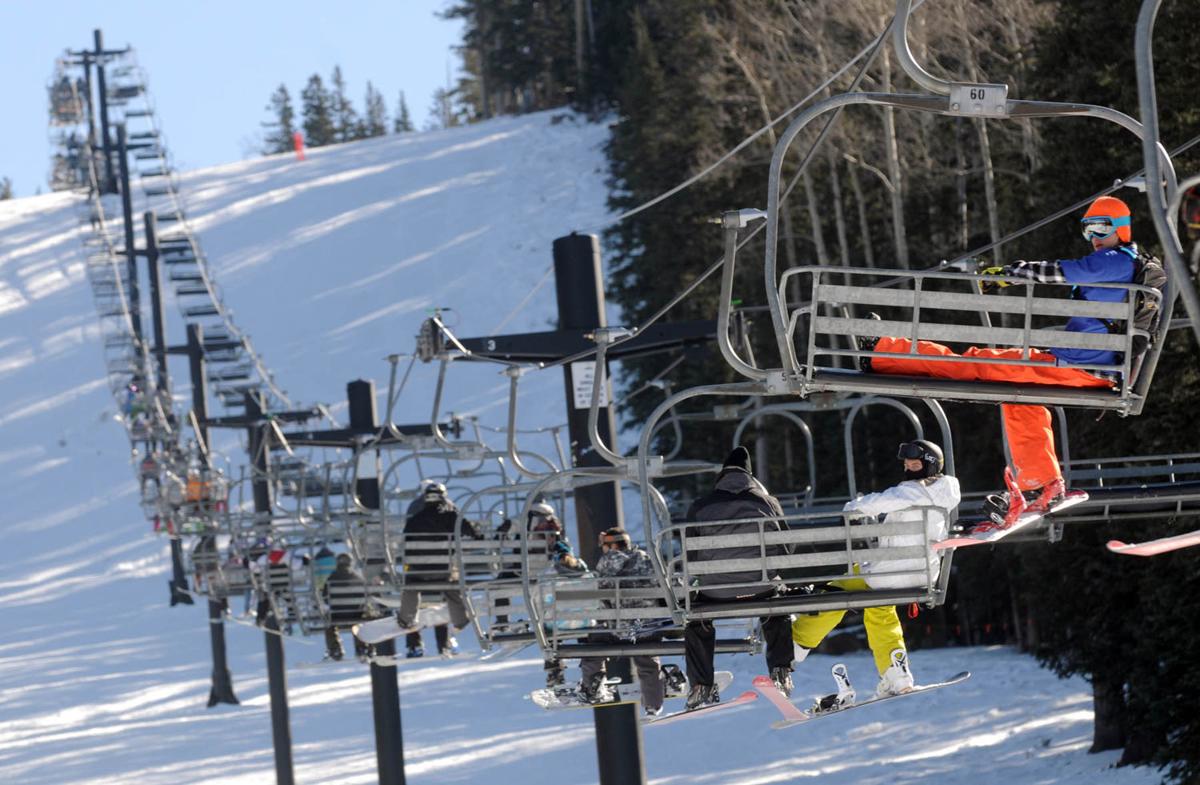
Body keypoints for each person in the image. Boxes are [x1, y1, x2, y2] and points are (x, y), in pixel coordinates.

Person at [862, 196, 1158, 528]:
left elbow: (1065, 271)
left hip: (1076, 365)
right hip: (1082, 366)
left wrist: (1012, 273)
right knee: (1017, 399)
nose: (1094, 237)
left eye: (1102, 228)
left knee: (975, 364)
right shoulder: (1124, 263)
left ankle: (883, 352)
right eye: (1087, 229)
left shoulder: (1116, 261)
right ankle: (1045, 484)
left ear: (1121, 229)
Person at [791, 440, 961, 700]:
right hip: (924, 574)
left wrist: (853, 506)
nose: (908, 467)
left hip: (889, 573)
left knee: (834, 592)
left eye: (914, 463)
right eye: (906, 463)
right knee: (880, 609)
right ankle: (896, 673)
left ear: (929, 466)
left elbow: (870, 504)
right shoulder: (945, 493)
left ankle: (793, 647)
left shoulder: (910, 492)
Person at [683, 446, 795, 710]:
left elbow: (690, 555)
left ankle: (701, 685)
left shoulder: (701, 506)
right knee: (777, 608)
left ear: (721, 476)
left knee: (695, 618)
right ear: (750, 475)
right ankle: (780, 671)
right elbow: (787, 549)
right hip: (761, 587)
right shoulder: (767, 503)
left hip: (715, 592)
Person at [577, 527, 679, 716]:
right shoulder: (647, 559)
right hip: (647, 628)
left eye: (605, 546)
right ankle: (652, 703)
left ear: (612, 545)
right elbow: (665, 587)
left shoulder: (606, 563)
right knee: (647, 659)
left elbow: (600, 596)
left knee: (594, 646)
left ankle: (592, 685)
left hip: (616, 630)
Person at [396, 481, 483, 658]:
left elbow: (406, 546)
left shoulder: (414, 520)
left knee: (410, 587)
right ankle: (460, 620)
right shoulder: (452, 517)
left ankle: (407, 618)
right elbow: (472, 532)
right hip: (444, 572)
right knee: (452, 585)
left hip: (418, 575)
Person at [527, 501, 590, 688]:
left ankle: (555, 671)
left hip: (556, 625)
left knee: (548, 633)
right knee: (588, 628)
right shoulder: (585, 577)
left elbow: (540, 602)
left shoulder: (549, 580)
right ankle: (593, 672)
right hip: (584, 623)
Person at [323, 553, 372, 661]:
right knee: (364, 618)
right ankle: (362, 648)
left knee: (327, 620)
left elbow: (325, 598)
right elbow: (365, 596)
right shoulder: (357, 577)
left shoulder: (331, 578)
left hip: (337, 616)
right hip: (356, 615)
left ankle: (335, 649)